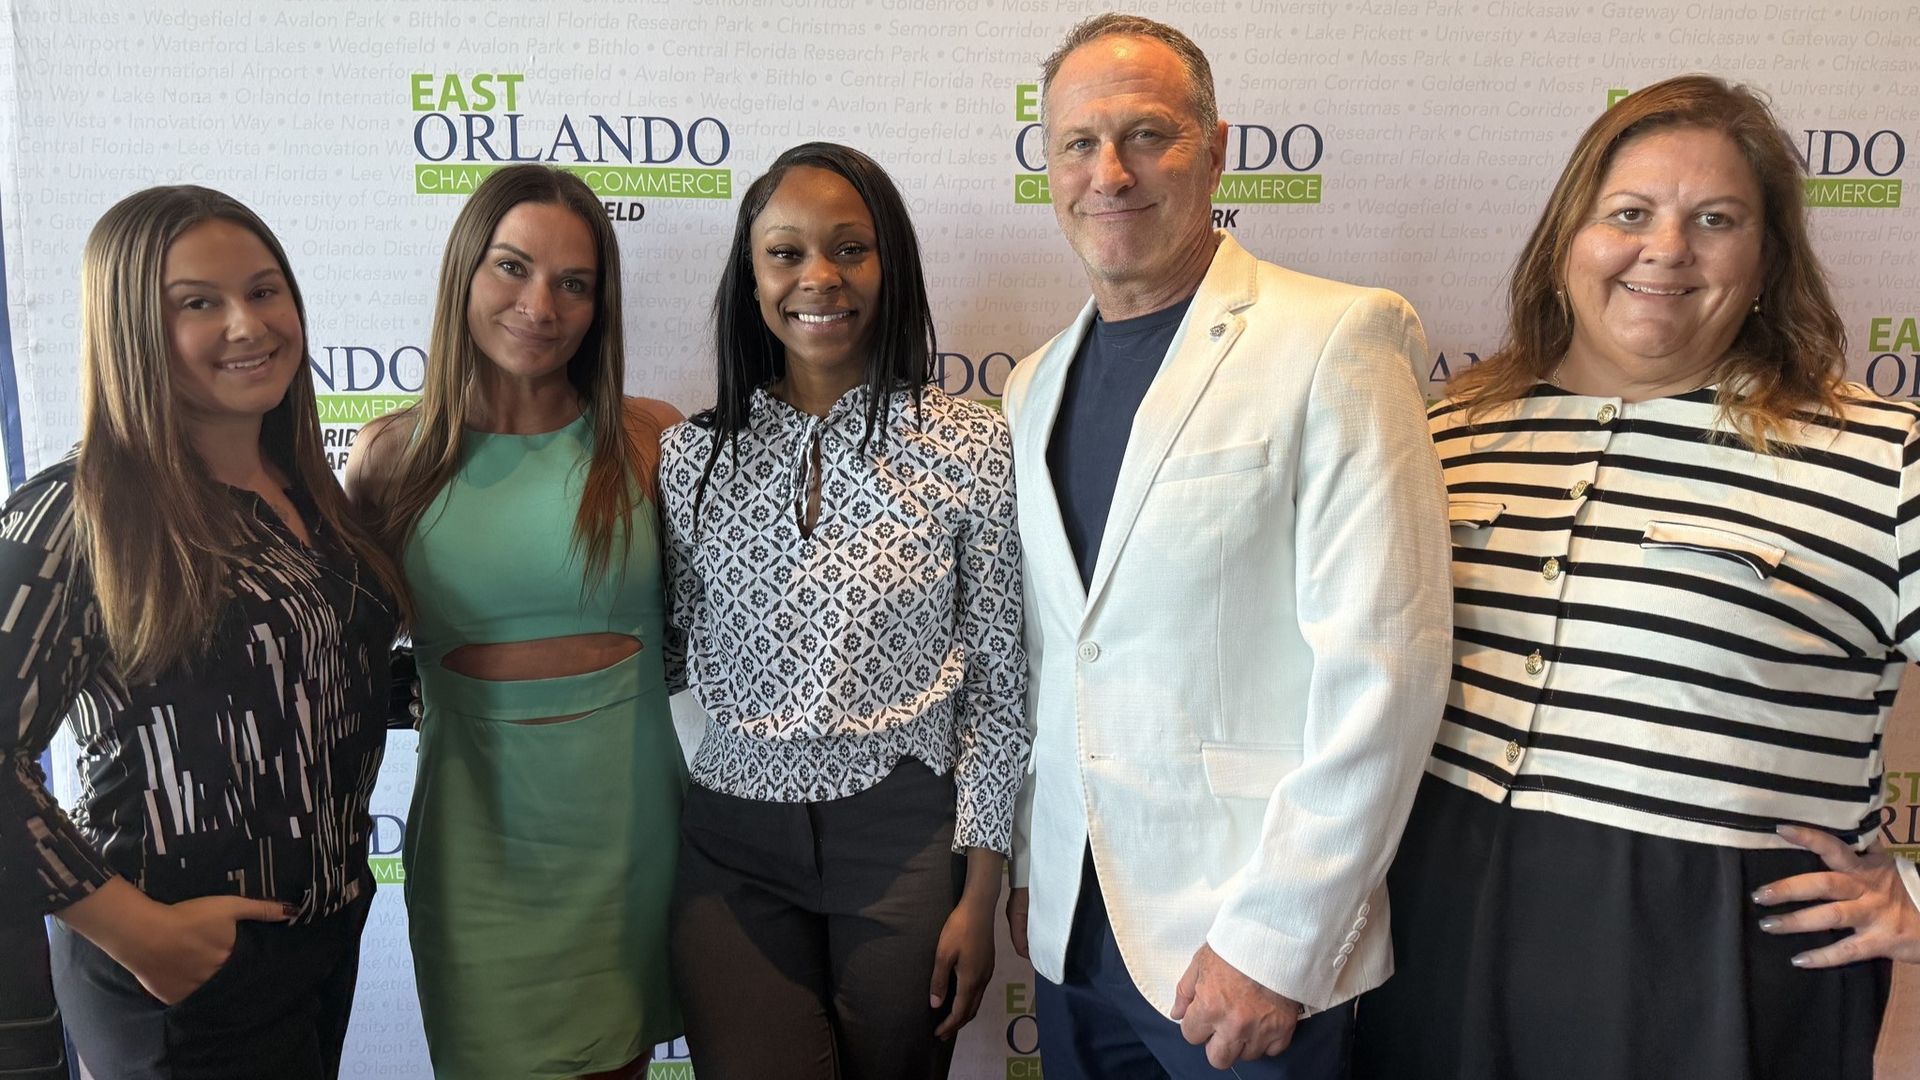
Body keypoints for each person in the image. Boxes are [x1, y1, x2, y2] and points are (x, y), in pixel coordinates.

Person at [1349, 74, 1920, 1080]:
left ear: (1766, 259)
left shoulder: (1879, 456)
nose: (1667, 249)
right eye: (1630, 214)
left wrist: (1914, 898)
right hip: (1433, 935)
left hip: (1712, 973)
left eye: (1716, 219)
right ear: (1568, 238)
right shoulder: (1445, 436)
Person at [1001, 14, 1453, 1079]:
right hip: (1075, 935)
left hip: (1247, 948)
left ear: (1216, 147)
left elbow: (1387, 666)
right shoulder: (1029, 385)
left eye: (1146, 134)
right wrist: (1033, 867)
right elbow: (1056, 658)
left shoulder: (1337, 337)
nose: (1108, 172)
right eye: (1077, 143)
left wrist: (1280, 944)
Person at [0, 185, 407, 1079]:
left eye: (265, 291)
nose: (247, 324)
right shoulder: (76, 511)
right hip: (176, 970)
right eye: (198, 303)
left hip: (324, 937)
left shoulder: (303, 492)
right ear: (132, 329)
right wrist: (140, 932)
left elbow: (313, 678)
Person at [660, 141, 1028, 1080]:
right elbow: (666, 651)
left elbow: (995, 684)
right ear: (751, 280)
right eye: (786, 253)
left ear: (889, 265)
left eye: (849, 249)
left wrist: (981, 888)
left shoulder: (972, 443)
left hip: (902, 833)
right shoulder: (690, 459)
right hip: (729, 841)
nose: (818, 277)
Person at [345, 164, 683, 1080]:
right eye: (513, 268)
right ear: (465, 271)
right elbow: (331, 669)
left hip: (627, 835)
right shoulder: (390, 457)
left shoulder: (651, 439)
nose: (542, 304)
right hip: (474, 842)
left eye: (575, 283)